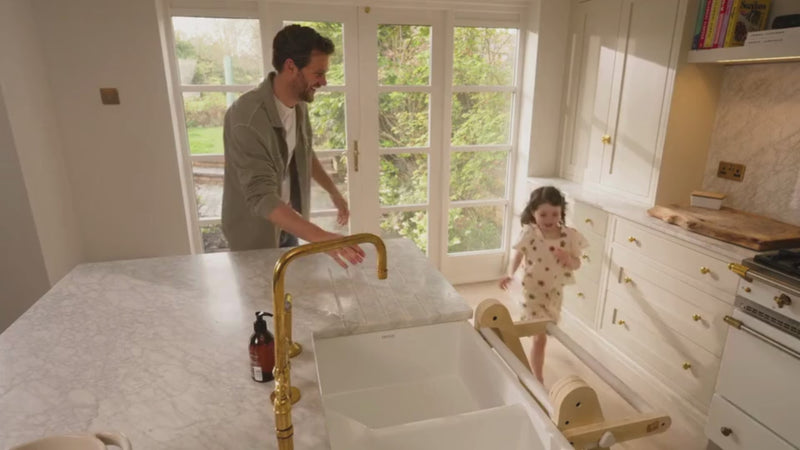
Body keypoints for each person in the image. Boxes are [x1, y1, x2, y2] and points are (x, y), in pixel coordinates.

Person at [222, 24, 363, 268]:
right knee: (262, 292)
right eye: (318, 73)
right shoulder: (246, 118)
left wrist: (334, 192)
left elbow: (304, 153)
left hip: (287, 223)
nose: (324, 81)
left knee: (292, 288)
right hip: (255, 235)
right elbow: (261, 196)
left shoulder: (298, 105)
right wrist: (322, 239)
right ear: (290, 67)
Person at [498, 186, 588, 383]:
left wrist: (568, 259)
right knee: (539, 337)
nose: (549, 219)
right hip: (531, 291)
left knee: (543, 333)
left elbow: (577, 264)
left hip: (554, 294)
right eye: (543, 214)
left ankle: (534, 367)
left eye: (554, 214)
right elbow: (518, 254)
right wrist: (510, 274)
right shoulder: (529, 233)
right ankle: (537, 377)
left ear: (561, 212)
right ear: (533, 213)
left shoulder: (569, 236)